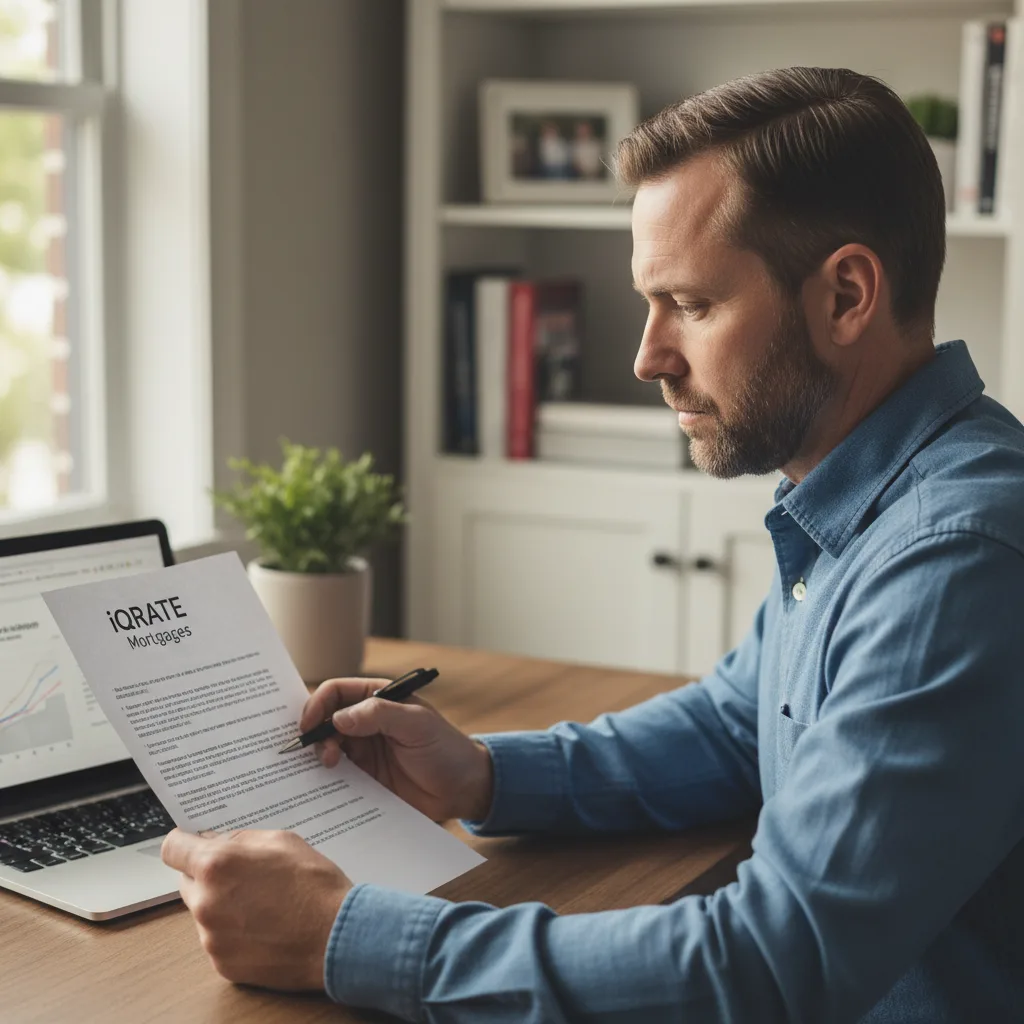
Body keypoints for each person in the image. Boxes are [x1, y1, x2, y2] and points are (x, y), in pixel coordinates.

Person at [161, 66, 1024, 1022]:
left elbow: (772, 964)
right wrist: (484, 772)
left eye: (690, 305)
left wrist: (341, 937)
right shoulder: (859, 492)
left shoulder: (955, 558)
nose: (648, 355)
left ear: (847, 295)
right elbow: (742, 725)